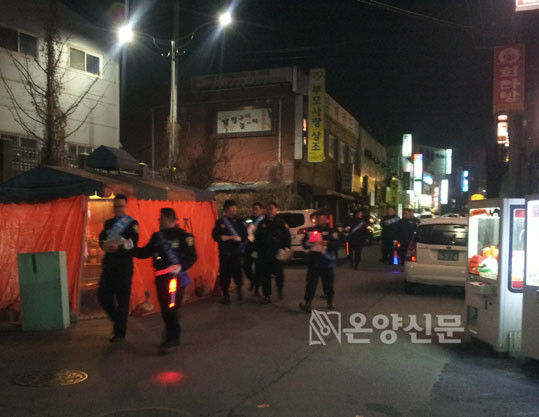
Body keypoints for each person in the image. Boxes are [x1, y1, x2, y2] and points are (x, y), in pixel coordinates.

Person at [130, 208, 197, 349]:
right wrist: (131, 248)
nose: (159, 221)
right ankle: (170, 334)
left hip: (175, 278)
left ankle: (172, 338)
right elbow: (145, 252)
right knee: (166, 308)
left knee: (171, 307)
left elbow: (192, 256)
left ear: (169, 219)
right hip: (161, 278)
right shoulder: (157, 237)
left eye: (161, 219)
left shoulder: (183, 236)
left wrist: (181, 266)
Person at [98, 194, 139, 342]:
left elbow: (133, 243)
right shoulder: (109, 223)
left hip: (123, 266)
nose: (118, 209)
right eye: (116, 206)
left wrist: (119, 247)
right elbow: (102, 238)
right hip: (109, 265)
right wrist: (104, 245)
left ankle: (120, 332)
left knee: (122, 299)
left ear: (126, 207)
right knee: (103, 296)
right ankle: (118, 320)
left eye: (121, 206)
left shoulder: (132, 224)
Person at [299, 208, 340, 313]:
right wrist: (310, 241)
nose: (317, 219)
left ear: (326, 219)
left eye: (320, 217)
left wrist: (328, 243)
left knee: (328, 283)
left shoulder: (332, 231)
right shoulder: (311, 230)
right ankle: (308, 303)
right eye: (316, 217)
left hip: (327, 261)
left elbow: (337, 244)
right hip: (314, 260)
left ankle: (330, 300)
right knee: (311, 283)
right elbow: (304, 244)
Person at [254, 201, 291, 304]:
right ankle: (267, 295)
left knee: (279, 274)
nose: (270, 211)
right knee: (265, 275)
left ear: (276, 210)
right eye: (268, 209)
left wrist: (286, 248)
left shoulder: (281, 223)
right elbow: (257, 238)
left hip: (277, 253)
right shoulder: (262, 223)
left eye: (272, 208)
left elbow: (287, 237)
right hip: (264, 253)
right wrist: (255, 250)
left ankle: (280, 289)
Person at [212, 199, 248, 304]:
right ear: (226, 209)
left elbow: (244, 235)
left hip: (236, 252)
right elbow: (215, 235)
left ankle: (239, 290)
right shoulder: (220, 222)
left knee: (238, 273)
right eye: (232, 207)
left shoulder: (239, 222)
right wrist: (222, 237)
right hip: (225, 253)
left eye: (235, 207)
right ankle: (226, 295)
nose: (234, 209)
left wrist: (240, 239)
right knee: (224, 275)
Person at [243, 202, 264, 296]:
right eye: (253, 209)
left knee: (258, 269)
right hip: (249, 246)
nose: (254, 211)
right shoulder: (248, 219)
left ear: (261, 210)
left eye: (257, 209)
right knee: (246, 266)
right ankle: (253, 281)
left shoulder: (263, 221)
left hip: (259, 248)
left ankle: (257, 288)